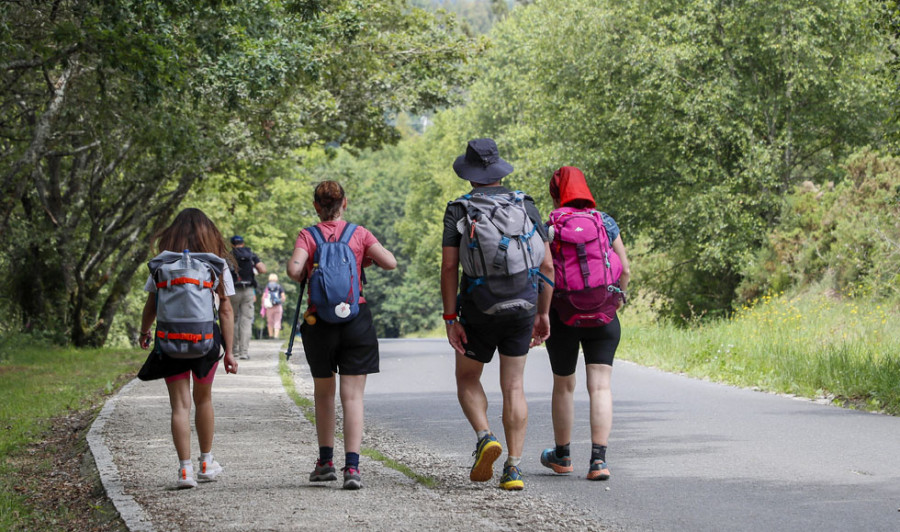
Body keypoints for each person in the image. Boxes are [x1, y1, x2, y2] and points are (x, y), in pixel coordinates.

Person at [440, 138, 554, 491]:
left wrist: (450, 318)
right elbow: (547, 264)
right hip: (523, 305)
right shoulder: (526, 205)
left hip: (479, 306)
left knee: (467, 378)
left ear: (470, 174)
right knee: (514, 386)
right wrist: (543, 313)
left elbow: (448, 267)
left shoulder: (459, 210)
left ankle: (485, 436)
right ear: (498, 170)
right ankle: (514, 470)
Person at [287, 180, 397, 490]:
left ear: (316, 206)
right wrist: (366, 258)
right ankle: (353, 468)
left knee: (324, 394)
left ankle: (325, 463)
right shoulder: (359, 234)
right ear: (344, 203)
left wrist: (307, 262)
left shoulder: (308, 235)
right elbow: (390, 262)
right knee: (353, 397)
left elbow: (294, 271)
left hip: (318, 321)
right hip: (356, 320)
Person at [538, 166, 630, 481]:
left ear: (555, 193)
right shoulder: (604, 221)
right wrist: (618, 298)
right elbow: (626, 270)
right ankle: (599, 462)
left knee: (564, 385)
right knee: (601, 386)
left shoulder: (549, 225)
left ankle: (562, 456)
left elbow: (547, 271)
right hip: (603, 314)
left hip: (562, 314)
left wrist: (542, 313)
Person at [137, 208, 239, 489]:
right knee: (203, 399)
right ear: (209, 235)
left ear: (173, 234)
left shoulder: (161, 265)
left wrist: (145, 331)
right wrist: (229, 351)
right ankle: (206, 463)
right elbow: (226, 310)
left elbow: (151, 305)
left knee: (179, 405)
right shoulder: (216, 264)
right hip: (205, 341)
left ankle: (185, 471)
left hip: (170, 341)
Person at [229, 235, 266, 359]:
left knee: (232, 321)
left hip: (233, 290)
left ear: (232, 244)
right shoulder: (251, 254)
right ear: (243, 244)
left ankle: (234, 351)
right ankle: (244, 352)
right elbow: (262, 269)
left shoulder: (228, 255)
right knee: (246, 321)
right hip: (248, 290)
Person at [261, 273, 286, 339]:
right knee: (277, 321)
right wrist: (280, 301)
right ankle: (276, 336)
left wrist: (263, 305)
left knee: (270, 321)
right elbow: (283, 297)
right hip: (278, 306)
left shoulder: (267, 287)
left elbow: (263, 297)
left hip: (269, 307)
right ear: (276, 279)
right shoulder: (279, 286)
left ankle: (270, 336)